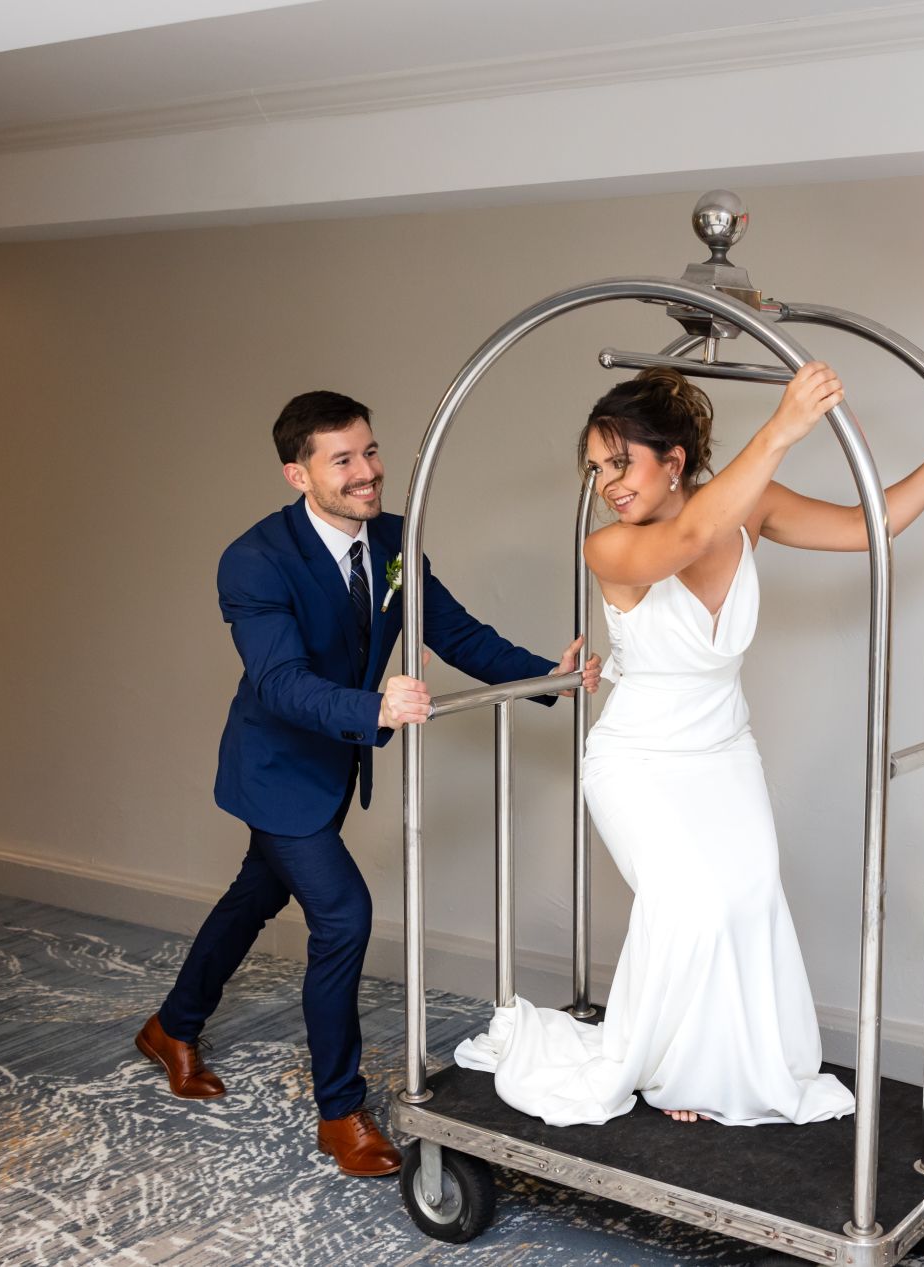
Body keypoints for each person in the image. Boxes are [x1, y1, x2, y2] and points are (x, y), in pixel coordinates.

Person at [455, 364, 924, 1126]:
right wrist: (780, 428)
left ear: (671, 459)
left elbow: (864, 526)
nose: (607, 483)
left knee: (745, 899)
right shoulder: (609, 548)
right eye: (595, 468)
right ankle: (671, 1063)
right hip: (638, 759)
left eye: (620, 463)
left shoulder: (752, 508)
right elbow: (689, 536)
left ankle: (715, 1062)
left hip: (723, 750)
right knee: (689, 903)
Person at [134, 390, 601, 1176]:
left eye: (371, 452)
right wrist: (374, 703)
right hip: (276, 768)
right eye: (342, 459)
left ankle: (172, 1024)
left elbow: (451, 631)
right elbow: (279, 681)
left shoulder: (392, 540)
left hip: (332, 763)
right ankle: (341, 1112)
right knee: (344, 915)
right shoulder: (253, 560)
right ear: (297, 473)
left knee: (256, 891)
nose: (367, 472)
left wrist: (544, 678)